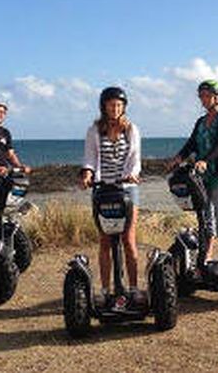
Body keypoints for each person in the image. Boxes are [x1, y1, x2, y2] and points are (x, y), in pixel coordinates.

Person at [80, 87, 142, 309]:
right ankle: (105, 291)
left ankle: (133, 289)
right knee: (105, 241)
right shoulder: (94, 130)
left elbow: (135, 158)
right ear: (104, 106)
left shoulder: (131, 129)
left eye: (118, 105)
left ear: (123, 107)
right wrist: (87, 175)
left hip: (126, 189)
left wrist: (132, 174)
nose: (114, 108)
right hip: (102, 189)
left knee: (128, 239)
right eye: (110, 105)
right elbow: (89, 158)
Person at [168, 79, 218, 263]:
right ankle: (207, 255)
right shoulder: (200, 122)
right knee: (206, 214)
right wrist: (179, 157)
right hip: (203, 175)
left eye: (207, 96)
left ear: (217, 98)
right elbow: (192, 143)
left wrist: (205, 160)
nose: (204, 99)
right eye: (201, 96)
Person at [0, 99, 31, 234]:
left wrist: (20, 166)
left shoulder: (5, 132)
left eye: (2, 112)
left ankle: (1, 231)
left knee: (4, 203)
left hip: (4, 173)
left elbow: (10, 154)